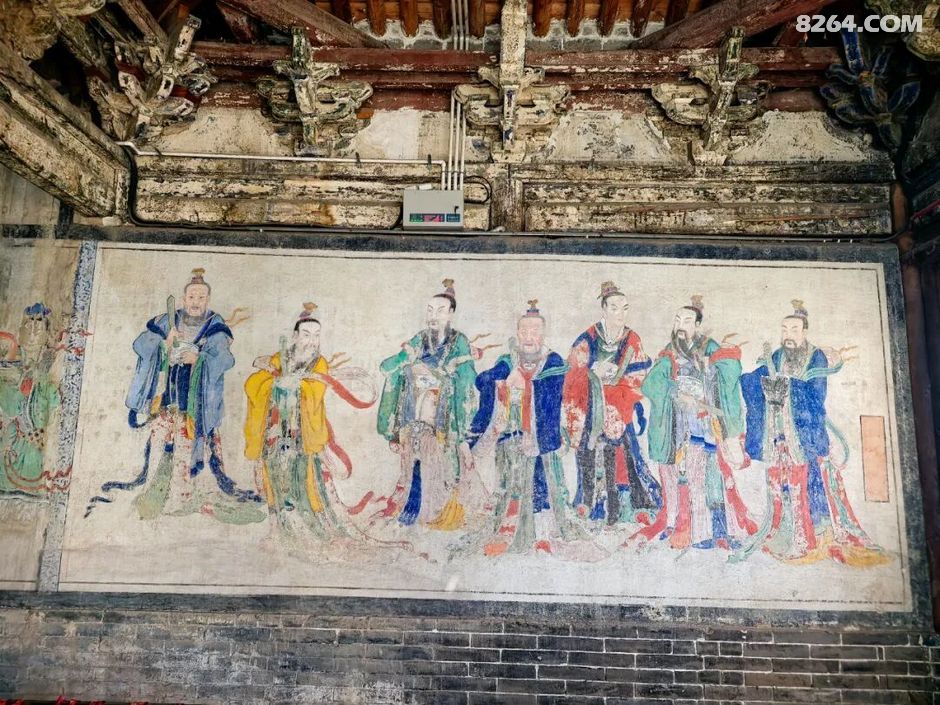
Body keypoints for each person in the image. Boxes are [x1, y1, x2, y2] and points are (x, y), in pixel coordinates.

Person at [87, 268, 263, 524]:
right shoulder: (167, 321)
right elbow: (140, 345)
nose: (195, 302)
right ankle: (156, 493)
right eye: (191, 297)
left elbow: (225, 360)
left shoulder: (215, 326)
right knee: (159, 446)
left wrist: (199, 359)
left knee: (188, 448)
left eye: (201, 297)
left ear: (208, 300)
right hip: (166, 401)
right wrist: (165, 343)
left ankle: (183, 496)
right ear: (183, 299)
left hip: (196, 407)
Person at [736, 300, 886, 566]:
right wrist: (746, 379)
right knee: (783, 484)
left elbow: (817, 395)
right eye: (784, 329)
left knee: (812, 484)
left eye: (794, 329)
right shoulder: (776, 357)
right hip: (780, 432)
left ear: (804, 331)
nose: (788, 334)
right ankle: (788, 533)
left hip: (806, 434)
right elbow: (754, 381)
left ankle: (817, 534)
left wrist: (788, 387)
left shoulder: (815, 357)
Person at [460, 301, 598, 558]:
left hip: (542, 442)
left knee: (544, 489)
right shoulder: (508, 360)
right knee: (509, 488)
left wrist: (526, 385)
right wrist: (503, 380)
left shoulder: (553, 361)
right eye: (524, 331)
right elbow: (484, 381)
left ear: (543, 334)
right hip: (512, 440)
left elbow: (553, 396)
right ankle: (509, 533)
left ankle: (545, 534)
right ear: (517, 333)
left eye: (534, 331)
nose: (529, 337)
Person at [243, 303, 376, 542]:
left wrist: (296, 384)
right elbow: (253, 384)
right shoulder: (279, 358)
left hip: (302, 436)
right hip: (274, 433)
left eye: (316, 336)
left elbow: (315, 392)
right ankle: (279, 529)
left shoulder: (319, 363)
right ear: (295, 336)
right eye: (306, 335)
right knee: (275, 479)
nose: (311, 341)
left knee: (304, 483)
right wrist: (275, 382)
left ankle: (310, 529)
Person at [633, 296, 757, 550]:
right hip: (680, 427)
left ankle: (719, 531)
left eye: (687, 321)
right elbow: (652, 383)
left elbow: (728, 373)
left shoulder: (710, 347)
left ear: (697, 325)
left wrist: (724, 358)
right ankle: (689, 530)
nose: (681, 325)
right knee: (684, 480)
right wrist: (673, 390)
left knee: (713, 480)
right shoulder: (669, 352)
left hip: (707, 427)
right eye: (678, 320)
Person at [374, 279, 477, 530]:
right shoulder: (419, 340)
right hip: (414, 417)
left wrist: (441, 376)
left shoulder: (459, 342)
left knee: (441, 467)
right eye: (430, 310)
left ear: (451, 314)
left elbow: (467, 381)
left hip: (444, 419)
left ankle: (441, 514)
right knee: (413, 465)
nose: (433, 316)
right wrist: (405, 359)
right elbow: (387, 368)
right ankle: (412, 512)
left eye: (440, 310)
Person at [562, 281, 660, 526]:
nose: (620, 314)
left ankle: (626, 504)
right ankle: (591, 503)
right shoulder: (589, 337)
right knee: (590, 451)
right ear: (603, 309)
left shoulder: (632, 338)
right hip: (592, 404)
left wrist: (619, 380)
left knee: (625, 455)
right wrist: (592, 372)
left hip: (620, 405)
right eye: (614, 308)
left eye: (624, 308)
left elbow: (640, 374)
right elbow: (572, 372)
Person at [0, 303, 63, 497]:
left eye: (39, 322)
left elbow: (52, 408)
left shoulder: (48, 367)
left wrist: (39, 379)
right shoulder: (10, 367)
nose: (33, 328)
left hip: (34, 445)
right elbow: (9, 406)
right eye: (29, 321)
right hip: (14, 441)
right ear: (20, 331)